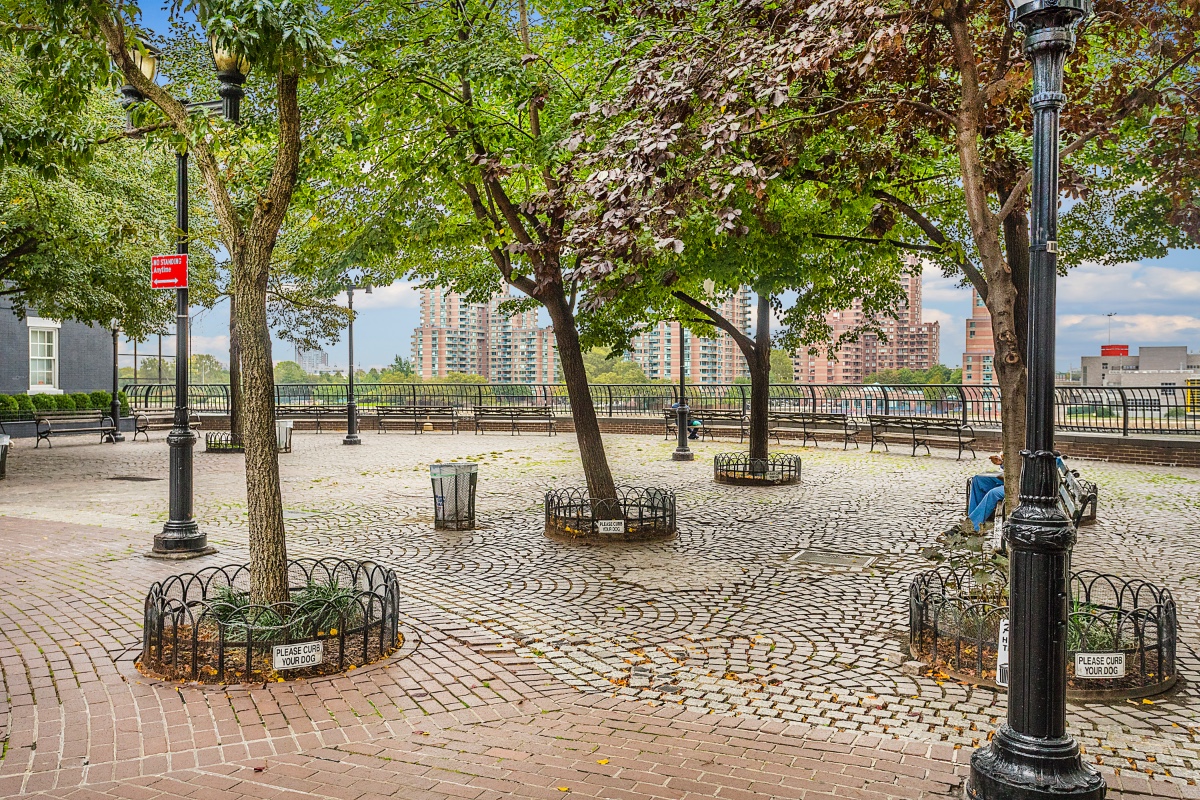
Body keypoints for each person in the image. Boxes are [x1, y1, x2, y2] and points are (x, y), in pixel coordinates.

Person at [966, 454, 1005, 531]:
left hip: (1020, 485)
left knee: (993, 493)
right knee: (978, 479)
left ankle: (973, 526)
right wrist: (1002, 463)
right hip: (1008, 477)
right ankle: (971, 518)